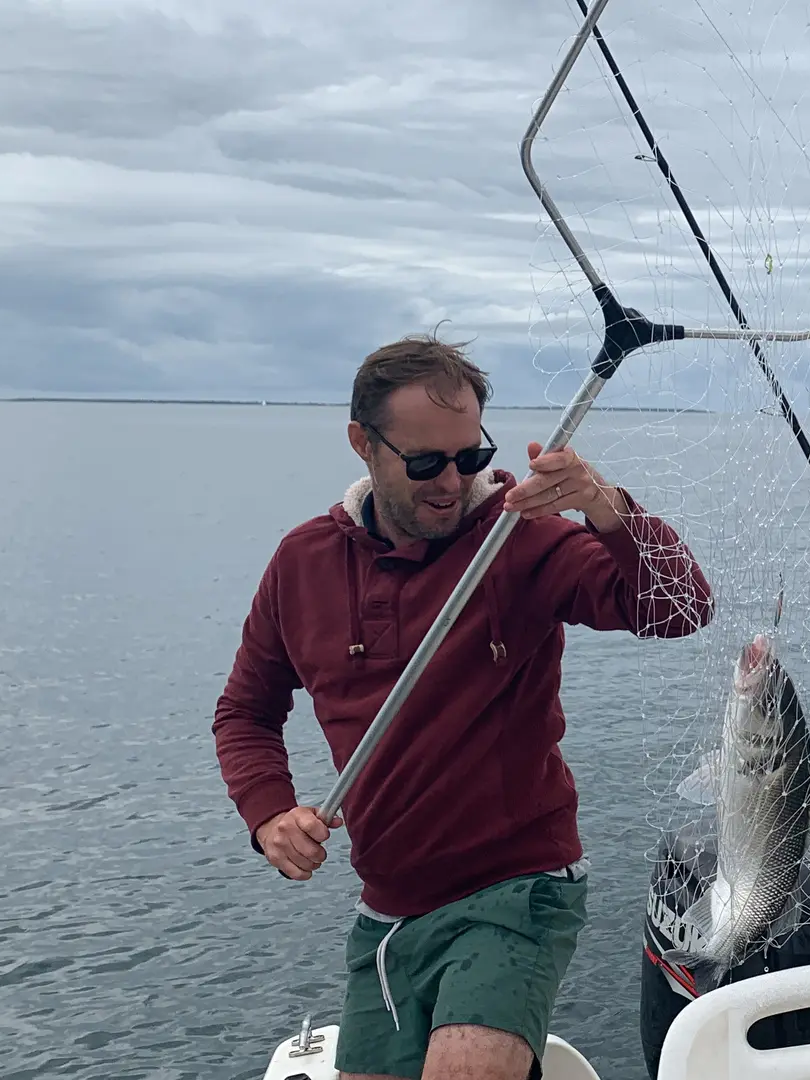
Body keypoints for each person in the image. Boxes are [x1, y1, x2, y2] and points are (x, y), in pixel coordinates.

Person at [212, 334, 715, 1080]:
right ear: (362, 444)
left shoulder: (521, 541)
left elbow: (680, 608)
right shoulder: (302, 562)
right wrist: (269, 814)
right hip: (387, 913)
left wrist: (604, 508)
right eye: (424, 464)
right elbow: (245, 712)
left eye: (468, 455)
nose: (450, 481)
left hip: (516, 889)